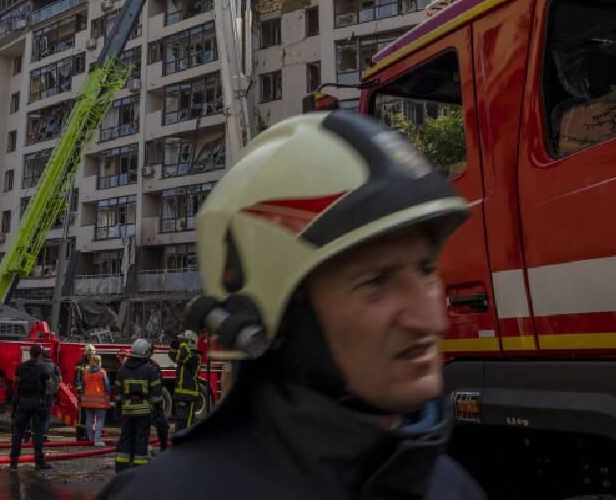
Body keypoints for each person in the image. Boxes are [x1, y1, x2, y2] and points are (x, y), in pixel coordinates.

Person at [95, 112, 485, 499]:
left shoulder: (453, 489)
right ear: (278, 318)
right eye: (375, 281)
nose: (432, 319)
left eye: (426, 270)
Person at [112, 339, 160, 472]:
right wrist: (158, 411)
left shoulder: (122, 370)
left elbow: (118, 394)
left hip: (127, 411)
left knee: (125, 439)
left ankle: (121, 468)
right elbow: (157, 395)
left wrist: (118, 408)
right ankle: (139, 469)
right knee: (141, 440)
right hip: (143, 412)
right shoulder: (150, 370)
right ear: (145, 352)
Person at [8, 344, 50, 472]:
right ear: (40, 355)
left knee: (18, 434)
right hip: (37, 404)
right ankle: (39, 462)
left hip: (23, 403)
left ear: (30, 353)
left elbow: (16, 383)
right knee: (38, 434)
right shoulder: (42, 367)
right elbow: (48, 383)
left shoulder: (21, 367)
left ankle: (13, 463)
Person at [171, 331, 202, 433]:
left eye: (184, 341)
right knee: (180, 421)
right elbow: (173, 356)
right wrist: (174, 344)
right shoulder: (185, 355)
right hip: (180, 394)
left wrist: (183, 343)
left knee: (187, 422)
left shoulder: (194, 356)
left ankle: (186, 439)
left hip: (189, 394)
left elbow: (184, 355)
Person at [79, 354, 110, 447]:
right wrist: (107, 398)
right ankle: (97, 440)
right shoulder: (102, 372)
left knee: (89, 419)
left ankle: (90, 439)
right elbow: (107, 387)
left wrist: (82, 397)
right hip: (99, 401)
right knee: (100, 419)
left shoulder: (86, 373)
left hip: (87, 401)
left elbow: (82, 387)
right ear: (99, 362)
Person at [72, 345, 96, 441]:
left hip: (92, 393)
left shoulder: (94, 363)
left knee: (90, 415)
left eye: (92, 355)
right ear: (86, 353)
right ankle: (80, 435)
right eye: (89, 354)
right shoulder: (80, 364)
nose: (91, 356)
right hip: (83, 393)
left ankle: (88, 435)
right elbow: (77, 378)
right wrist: (79, 392)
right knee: (82, 415)